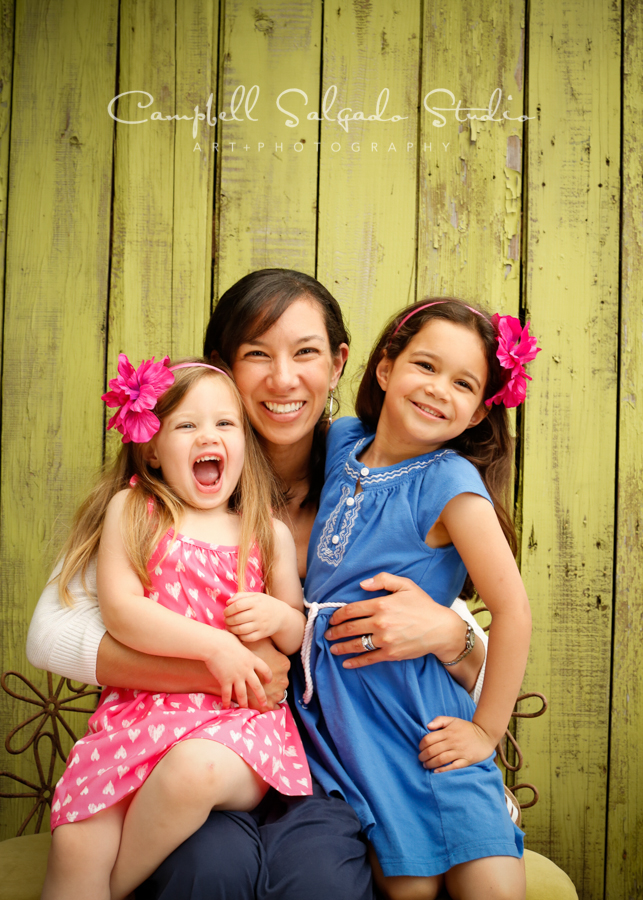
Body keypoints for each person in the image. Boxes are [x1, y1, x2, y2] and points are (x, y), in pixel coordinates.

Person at [28, 270, 488, 900]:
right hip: (193, 744)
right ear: (221, 369)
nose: (282, 379)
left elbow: (453, 642)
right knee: (208, 869)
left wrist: (455, 633)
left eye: (305, 352)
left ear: (339, 364)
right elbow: (51, 635)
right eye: (255, 355)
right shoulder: (158, 499)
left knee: (320, 879)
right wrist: (224, 668)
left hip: (332, 765)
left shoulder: (370, 471)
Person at [293, 298, 537, 900]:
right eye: (424, 366)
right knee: (407, 885)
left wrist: (485, 731)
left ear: (481, 410)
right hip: (348, 720)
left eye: (463, 383)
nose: (437, 390)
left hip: (415, 712)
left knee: (490, 882)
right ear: (384, 370)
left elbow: (513, 612)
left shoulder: (450, 484)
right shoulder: (343, 442)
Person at [42, 358, 311, 900]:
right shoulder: (135, 512)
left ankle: (116, 889)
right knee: (77, 845)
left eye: (225, 423)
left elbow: (295, 634)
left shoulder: (267, 533)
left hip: (239, 729)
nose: (207, 436)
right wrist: (215, 646)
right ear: (151, 449)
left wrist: (280, 617)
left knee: (192, 771)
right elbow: (122, 611)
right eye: (186, 425)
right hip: (137, 716)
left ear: (243, 444)